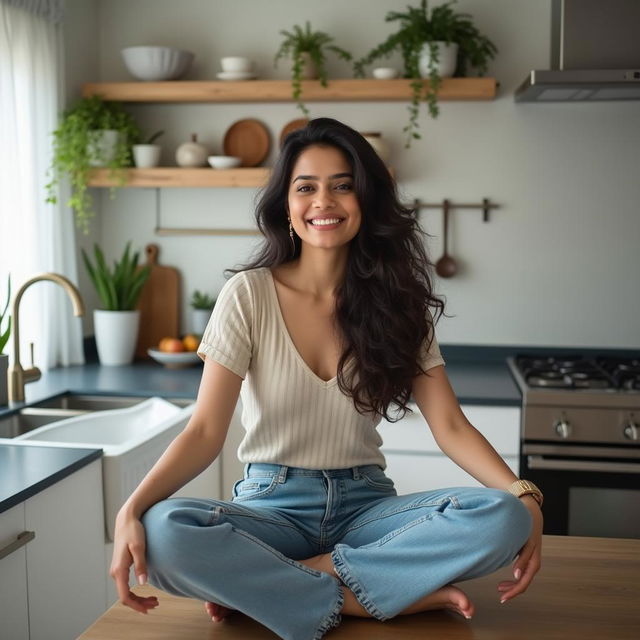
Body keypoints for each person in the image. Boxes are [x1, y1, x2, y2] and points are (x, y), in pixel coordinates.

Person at [110, 117, 543, 640]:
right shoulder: (248, 295)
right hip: (271, 509)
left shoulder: (398, 305)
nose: (324, 201)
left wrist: (524, 496)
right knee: (160, 535)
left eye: (342, 185)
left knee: (501, 517)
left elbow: (449, 425)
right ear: (287, 206)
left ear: (366, 200)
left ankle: (285, 588)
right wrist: (131, 509)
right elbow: (204, 431)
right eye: (306, 187)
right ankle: (369, 599)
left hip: (368, 511)